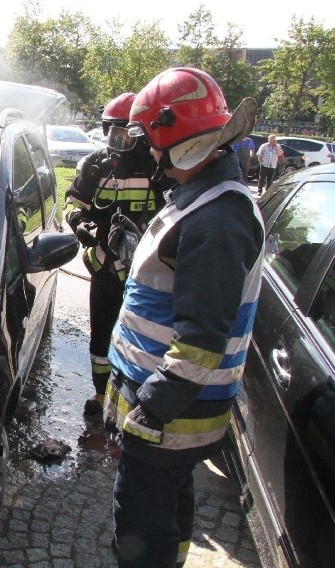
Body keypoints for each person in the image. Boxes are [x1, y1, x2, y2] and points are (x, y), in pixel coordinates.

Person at [102, 67, 264, 568]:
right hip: (173, 406)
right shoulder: (204, 199)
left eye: (149, 139)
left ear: (172, 139)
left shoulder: (217, 221)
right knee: (171, 502)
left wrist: (149, 409)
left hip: (171, 411)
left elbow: (200, 341)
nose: (146, 152)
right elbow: (177, 291)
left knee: (141, 522)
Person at [64, 92, 168, 417]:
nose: (117, 141)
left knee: (144, 337)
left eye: (126, 134)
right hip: (104, 268)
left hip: (145, 274)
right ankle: (100, 393)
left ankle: (137, 397)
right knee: (101, 335)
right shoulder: (95, 165)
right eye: (112, 132)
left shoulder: (158, 168)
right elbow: (73, 201)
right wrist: (83, 227)